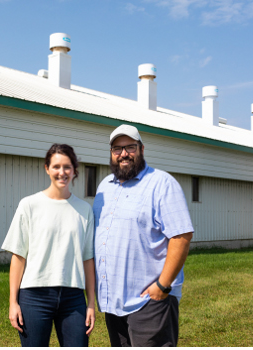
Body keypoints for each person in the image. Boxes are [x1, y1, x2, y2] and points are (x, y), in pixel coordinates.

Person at [93, 124, 194, 347]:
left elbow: (181, 236)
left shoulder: (162, 184)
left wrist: (163, 286)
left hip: (149, 301)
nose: (123, 154)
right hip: (114, 301)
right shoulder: (104, 187)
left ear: (142, 149)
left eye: (130, 147)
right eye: (117, 149)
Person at [1, 143, 96, 347]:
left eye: (67, 167)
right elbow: (18, 257)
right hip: (34, 297)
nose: (62, 172)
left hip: (73, 299)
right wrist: (13, 302)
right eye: (56, 166)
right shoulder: (29, 205)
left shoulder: (84, 210)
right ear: (47, 168)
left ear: (74, 170)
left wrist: (91, 304)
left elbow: (88, 259)